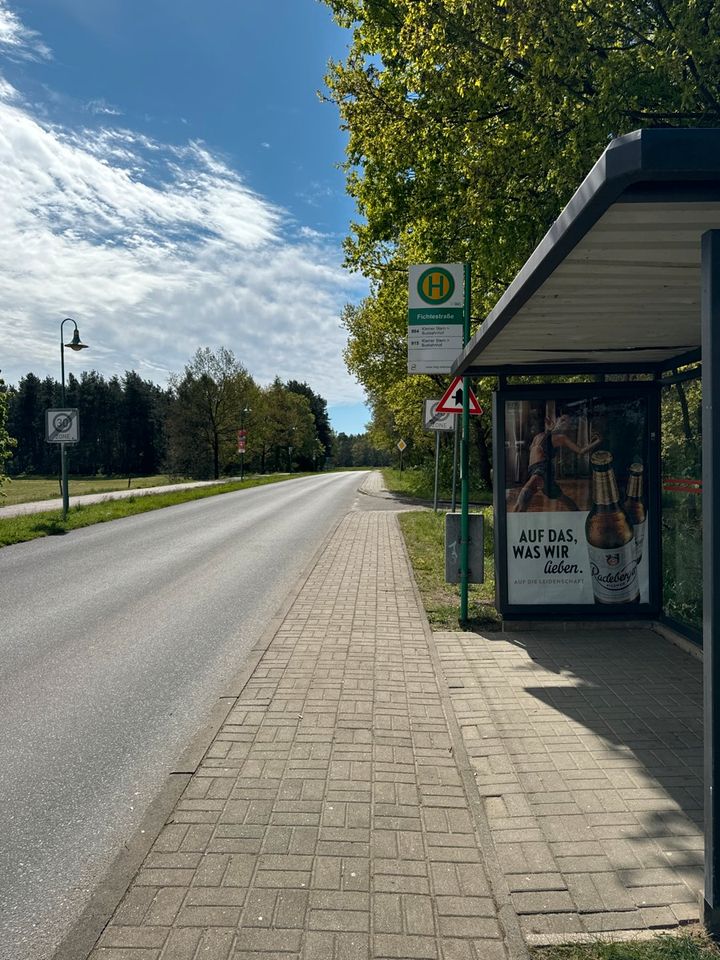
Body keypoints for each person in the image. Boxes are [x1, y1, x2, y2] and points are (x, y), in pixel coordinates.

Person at [512, 413, 601, 512]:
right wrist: (550, 429)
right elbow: (535, 449)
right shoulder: (539, 436)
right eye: (562, 420)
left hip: (542, 470)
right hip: (533, 470)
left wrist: (596, 442)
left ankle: (517, 517)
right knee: (561, 497)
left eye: (567, 423)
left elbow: (581, 451)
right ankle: (577, 513)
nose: (564, 424)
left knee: (525, 495)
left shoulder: (561, 438)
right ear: (557, 420)